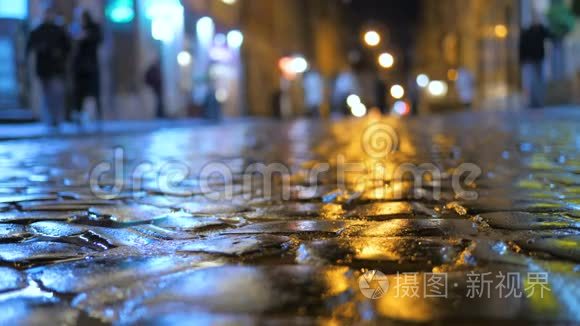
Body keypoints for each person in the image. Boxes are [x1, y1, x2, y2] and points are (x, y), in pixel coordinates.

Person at [26, 8, 71, 130]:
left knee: (57, 93)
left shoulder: (58, 30)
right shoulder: (38, 30)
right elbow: (30, 46)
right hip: (44, 68)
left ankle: (57, 119)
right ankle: (50, 119)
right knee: (47, 95)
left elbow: (68, 47)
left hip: (56, 68)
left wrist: (60, 55)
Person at [72, 10, 103, 124]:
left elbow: (99, 40)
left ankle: (97, 116)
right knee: (79, 92)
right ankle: (79, 115)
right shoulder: (76, 28)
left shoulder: (94, 28)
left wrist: (87, 36)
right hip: (79, 67)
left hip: (91, 65)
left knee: (94, 93)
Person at [519, 13, 552, 108]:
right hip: (530, 60)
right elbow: (522, 47)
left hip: (539, 60)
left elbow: (549, 35)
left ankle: (539, 101)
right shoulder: (527, 32)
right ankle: (532, 101)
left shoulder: (541, 30)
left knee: (540, 81)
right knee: (530, 82)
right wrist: (522, 60)